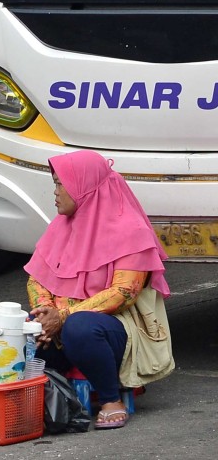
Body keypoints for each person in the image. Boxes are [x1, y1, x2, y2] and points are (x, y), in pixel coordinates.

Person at [25, 150, 174, 430]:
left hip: (116, 329)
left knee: (80, 328)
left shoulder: (130, 230)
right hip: (63, 323)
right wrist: (46, 314)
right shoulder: (60, 227)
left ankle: (110, 400)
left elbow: (124, 293)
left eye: (60, 184)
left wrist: (65, 316)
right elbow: (37, 279)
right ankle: (46, 396)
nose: (55, 192)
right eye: (54, 184)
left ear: (84, 187)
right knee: (19, 330)